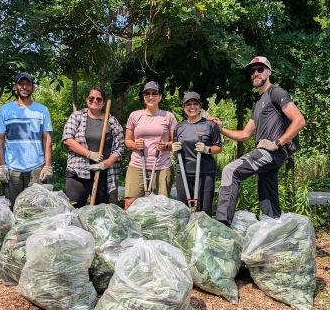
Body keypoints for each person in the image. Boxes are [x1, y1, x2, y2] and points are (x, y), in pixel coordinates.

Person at [210, 56, 306, 225]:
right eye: (252, 71)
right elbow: (245, 134)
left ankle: (222, 225)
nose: (255, 73)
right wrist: (221, 128)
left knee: (230, 171)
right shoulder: (259, 103)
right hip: (268, 154)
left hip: (270, 151)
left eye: (260, 69)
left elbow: (299, 120)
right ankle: (273, 231)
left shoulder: (276, 93)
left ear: (268, 72)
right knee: (267, 195)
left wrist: (278, 142)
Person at [0, 72, 53, 207]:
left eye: (28, 84)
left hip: (36, 168)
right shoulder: (5, 110)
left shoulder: (42, 110)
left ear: (33, 88)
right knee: (13, 206)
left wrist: (48, 165)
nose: (24, 87)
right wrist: (2, 166)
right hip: (12, 168)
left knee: (36, 208)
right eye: (21, 84)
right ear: (16, 87)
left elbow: (47, 138)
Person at [62, 87, 124, 207]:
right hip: (79, 170)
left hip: (103, 172)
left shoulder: (111, 121)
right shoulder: (77, 116)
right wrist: (89, 154)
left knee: (100, 210)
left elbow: (120, 146)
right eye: (91, 98)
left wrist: (105, 164)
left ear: (104, 102)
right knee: (74, 206)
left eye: (99, 99)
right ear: (87, 100)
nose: (95, 100)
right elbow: (67, 139)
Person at [123, 81, 177, 209]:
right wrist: (135, 145)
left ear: (160, 96)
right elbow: (127, 141)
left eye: (154, 93)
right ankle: (131, 228)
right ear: (143, 96)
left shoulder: (168, 117)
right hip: (137, 164)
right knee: (130, 202)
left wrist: (165, 145)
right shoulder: (135, 116)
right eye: (147, 93)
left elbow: (175, 143)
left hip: (161, 165)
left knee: (162, 205)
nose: (151, 96)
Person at [171, 91, 222, 214]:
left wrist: (207, 149)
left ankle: (203, 233)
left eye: (195, 104)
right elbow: (175, 151)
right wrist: (173, 149)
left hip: (205, 173)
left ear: (200, 107)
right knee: (184, 211)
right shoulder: (179, 127)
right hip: (184, 173)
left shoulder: (210, 125)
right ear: (183, 107)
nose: (192, 107)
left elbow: (218, 147)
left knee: (204, 210)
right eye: (188, 104)